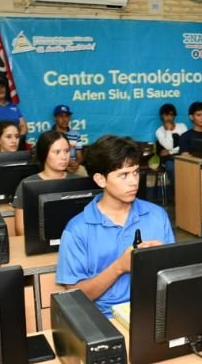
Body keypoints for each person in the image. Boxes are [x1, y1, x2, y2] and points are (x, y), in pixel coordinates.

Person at [55, 135, 175, 317]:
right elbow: (75, 297)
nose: (134, 181)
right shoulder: (77, 229)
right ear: (100, 180)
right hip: (106, 319)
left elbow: (175, 275)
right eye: (123, 175)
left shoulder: (157, 215)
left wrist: (164, 258)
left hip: (154, 313)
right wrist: (119, 267)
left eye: (135, 172)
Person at [12, 131, 81, 236]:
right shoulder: (27, 184)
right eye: (57, 152)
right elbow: (20, 229)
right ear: (44, 154)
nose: (64, 157)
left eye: (66, 151)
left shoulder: (79, 182)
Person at [154, 103, 186, 197]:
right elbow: (168, 146)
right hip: (168, 159)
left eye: (171, 115)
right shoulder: (159, 131)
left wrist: (171, 151)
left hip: (183, 155)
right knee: (171, 167)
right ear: (162, 116)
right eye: (166, 114)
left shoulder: (182, 127)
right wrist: (168, 130)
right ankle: (178, 194)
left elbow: (185, 145)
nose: (168, 117)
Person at [52, 104, 85, 175]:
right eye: (61, 116)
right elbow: (48, 156)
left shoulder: (76, 134)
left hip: (73, 166)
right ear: (55, 118)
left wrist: (76, 164)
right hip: (56, 166)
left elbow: (79, 156)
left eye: (67, 116)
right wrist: (66, 163)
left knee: (82, 171)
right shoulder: (49, 135)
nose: (64, 119)